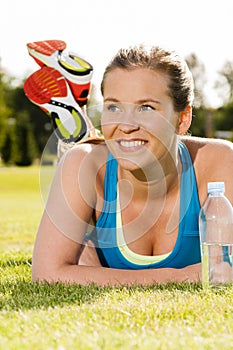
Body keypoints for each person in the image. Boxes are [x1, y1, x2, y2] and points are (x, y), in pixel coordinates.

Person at [31, 44, 233, 286]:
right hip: (92, 176)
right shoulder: (81, 164)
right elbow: (47, 274)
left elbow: (227, 268)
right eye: (113, 107)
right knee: (81, 158)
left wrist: (93, 276)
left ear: (182, 118)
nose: (126, 124)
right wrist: (179, 276)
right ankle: (79, 136)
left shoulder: (218, 162)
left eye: (146, 108)